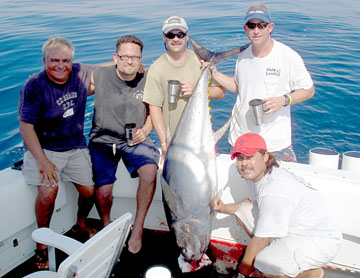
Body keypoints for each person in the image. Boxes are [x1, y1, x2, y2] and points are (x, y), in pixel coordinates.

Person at [210, 133, 342, 278]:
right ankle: (281, 260)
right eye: (240, 158)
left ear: (265, 157)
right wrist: (222, 208)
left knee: (264, 263)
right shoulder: (258, 175)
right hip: (294, 229)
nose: (244, 163)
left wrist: (242, 274)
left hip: (318, 240)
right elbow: (250, 203)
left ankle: (310, 274)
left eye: (249, 157)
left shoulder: (274, 191)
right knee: (243, 210)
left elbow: (261, 239)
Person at [18, 36, 97, 269]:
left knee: (89, 190)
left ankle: (80, 224)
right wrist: (42, 161)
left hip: (75, 146)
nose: (60, 65)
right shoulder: (34, 86)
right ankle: (41, 244)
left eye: (66, 60)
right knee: (47, 194)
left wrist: (138, 65)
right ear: (44, 61)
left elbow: (107, 68)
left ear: (72, 61)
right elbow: (25, 127)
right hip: (44, 149)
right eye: (54, 60)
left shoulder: (80, 72)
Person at [209, 4, 315, 162]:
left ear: (270, 27)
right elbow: (239, 87)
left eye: (261, 25)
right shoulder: (242, 56)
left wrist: (284, 100)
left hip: (273, 145)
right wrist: (214, 74)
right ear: (245, 28)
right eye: (252, 25)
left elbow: (309, 90)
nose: (256, 30)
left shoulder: (288, 56)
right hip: (240, 139)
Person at [88, 35, 160, 254]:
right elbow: (69, 81)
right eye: (125, 56)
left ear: (140, 58)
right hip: (102, 141)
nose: (130, 61)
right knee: (104, 192)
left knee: (149, 171)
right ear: (115, 57)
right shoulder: (99, 75)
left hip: (135, 140)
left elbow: (156, 110)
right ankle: (106, 225)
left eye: (135, 57)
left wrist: (146, 130)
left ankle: (138, 228)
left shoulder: (148, 78)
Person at [142, 16, 225, 160]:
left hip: (203, 137)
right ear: (164, 38)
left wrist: (198, 92)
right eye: (170, 35)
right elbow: (154, 108)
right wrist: (164, 142)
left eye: (180, 34)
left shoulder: (202, 61)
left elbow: (220, 92)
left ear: (187, 37)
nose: (175, 39)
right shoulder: (156, 69)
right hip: (175, 140)